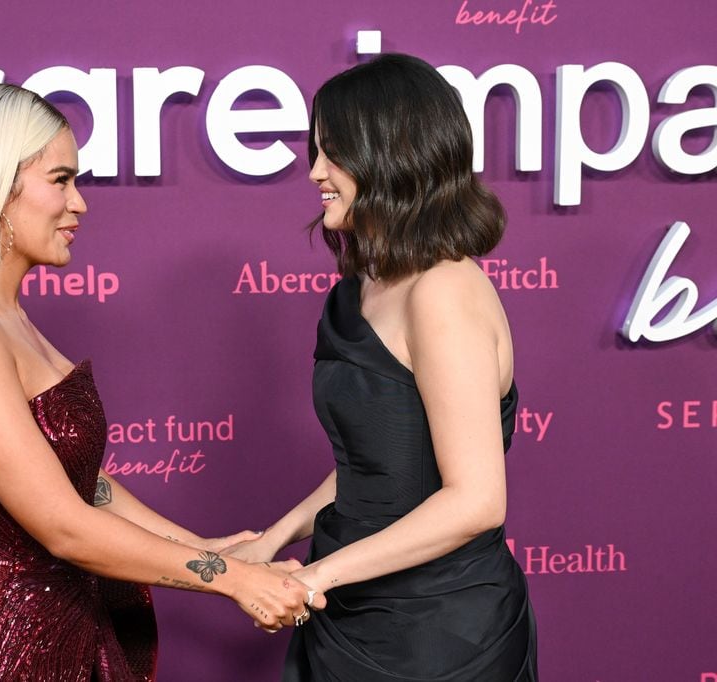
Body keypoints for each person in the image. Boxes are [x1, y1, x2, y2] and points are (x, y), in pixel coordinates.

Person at [0, 83, 324, 681]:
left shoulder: (9, 320)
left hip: (67, 645)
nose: (81, 204)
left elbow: (87, 486)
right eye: (61, 180)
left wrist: (209, 550)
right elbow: (63, 524)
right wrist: (233, 579)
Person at [223, 54, 538, 681]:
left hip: (438, 633)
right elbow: (376, 467)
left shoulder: (444, 290)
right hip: (348, 601)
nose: (314, 172)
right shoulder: (355, 291)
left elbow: (475, 502)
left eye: (332, 153)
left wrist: (314, 578)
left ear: (390, 155)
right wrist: (274, 539)